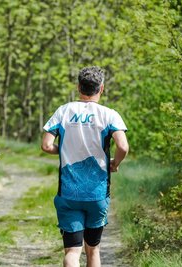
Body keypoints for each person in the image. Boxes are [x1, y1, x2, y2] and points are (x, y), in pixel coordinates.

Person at [41, 66, 129, 267]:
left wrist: (62, 151)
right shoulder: (109, 114)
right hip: (97, 193)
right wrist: (114, 163)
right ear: (102, 88)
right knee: (93, 250)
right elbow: (123, 146)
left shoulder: (64, 111)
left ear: (79, 86)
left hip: (68, 193)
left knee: (72, 251)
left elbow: (46, 145)